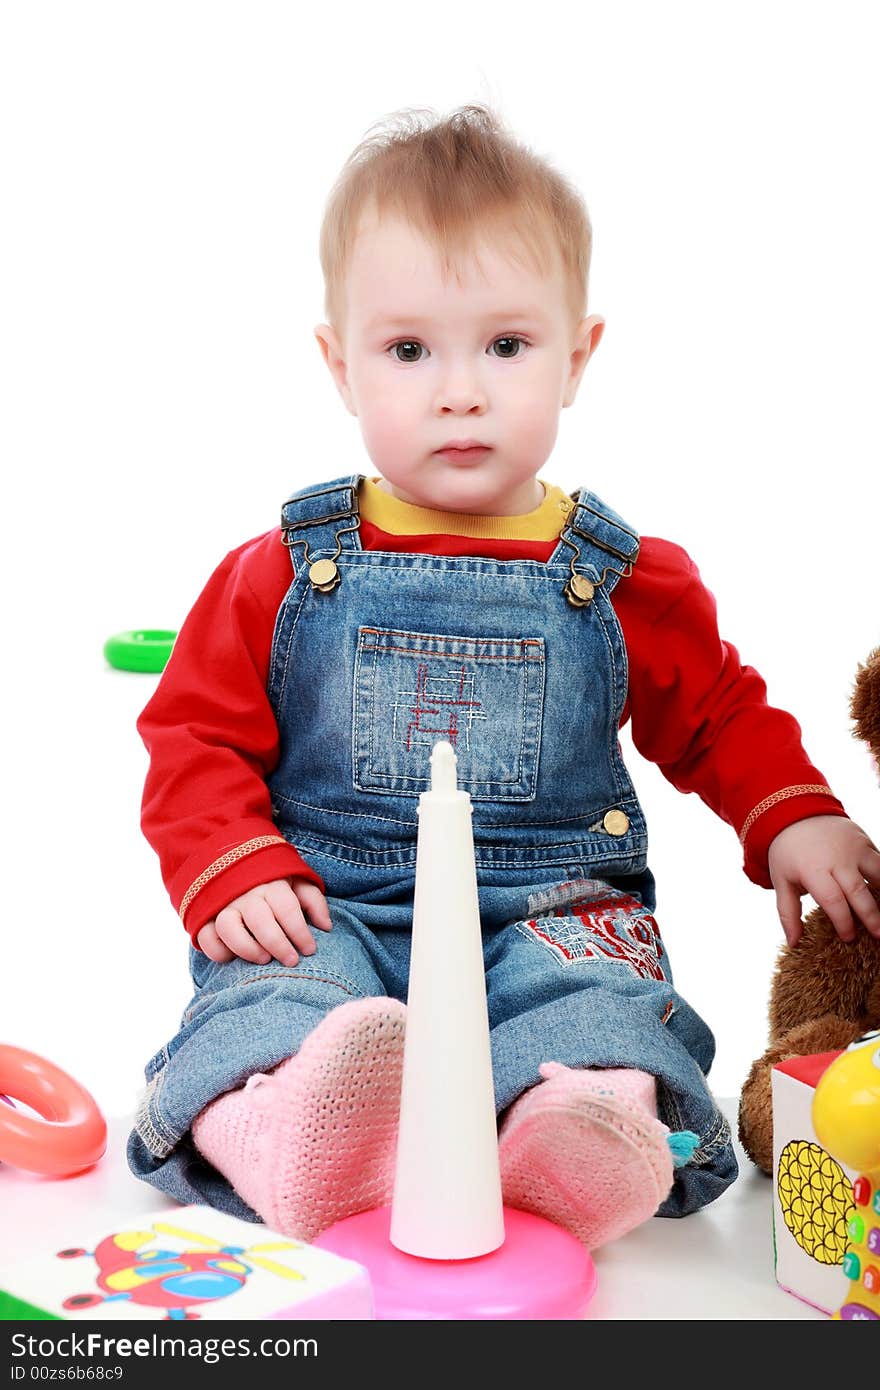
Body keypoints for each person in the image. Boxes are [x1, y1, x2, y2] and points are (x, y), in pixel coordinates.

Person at [127, 104, 880, 1249]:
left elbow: (718, 711)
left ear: (577, 356)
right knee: (276, 999)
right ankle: (288, 1125)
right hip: (336, 896)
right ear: (340, 364)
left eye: (506, 346)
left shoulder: (617, 576)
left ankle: (580, 1129)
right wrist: (232, 866)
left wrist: (794, 815)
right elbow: (193, 733)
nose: (460, 390)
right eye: (409, 349)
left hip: (554, 907)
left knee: (605, 1013)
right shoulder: (287, 568)